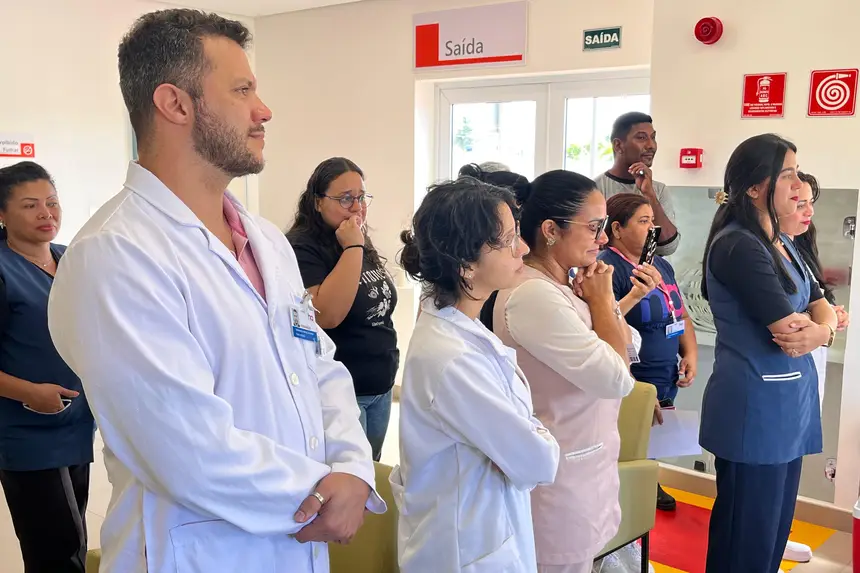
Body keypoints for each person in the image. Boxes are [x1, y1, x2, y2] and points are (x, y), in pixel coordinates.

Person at [46, 10, 383, 573]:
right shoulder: (116, 255)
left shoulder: (265, 242)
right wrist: (325, 491)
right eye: (243, 90)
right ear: (175, 104)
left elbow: (320, 366)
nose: (264, 110)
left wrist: (352, 466)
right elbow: (187, 448)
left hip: (294, 543)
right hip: (197, 552)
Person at [390, 177, 560, 573]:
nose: (523, 249)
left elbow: (522, 451)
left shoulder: (459, 326)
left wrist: (518, 441)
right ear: (466, 264)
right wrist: (534, 438)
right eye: (507, 240)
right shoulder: (453, 359)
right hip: (465, 551)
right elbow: (538, 462)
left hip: (479, 533)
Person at [485, 169, 637, 573]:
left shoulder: (565, 286)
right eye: (594, 227)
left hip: (586, 465)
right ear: (551, 229)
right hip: (559, 479)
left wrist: (600, 302)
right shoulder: (532, 295)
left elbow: (630, 344)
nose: (604, 239)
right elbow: (617, 377)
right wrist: (603, 302)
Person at [699, 134, 837, 573]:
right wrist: (823, 327)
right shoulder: (738, 246)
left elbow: (820, 305)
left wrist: (824, 328)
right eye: (789, 174)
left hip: (786, 406)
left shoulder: (783, 241)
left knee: (772, 535)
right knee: (746, 540)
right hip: (753, 408)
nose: (799, 185)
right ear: (757, 187)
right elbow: (790, 331)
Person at [0, 161, 95, 573]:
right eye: (30, 205)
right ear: (2, 214)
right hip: (27, 434)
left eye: (52, 203)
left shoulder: (70, 258)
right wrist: (29, 393)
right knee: (58, 552)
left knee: (71, 542)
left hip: (76, 425)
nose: (46, 213)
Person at [287, 157, 399, 461]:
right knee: (350, 477)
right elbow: (327, 315)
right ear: (318, 202)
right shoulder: (302, 247)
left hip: (381, 384)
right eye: (345, 199)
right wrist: (352, 248)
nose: (357, 207)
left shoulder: (354, 235)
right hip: (344, 392)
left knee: (371, 471)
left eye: (361, 197)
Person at [598, 193, 698, 512]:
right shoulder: (605, 268)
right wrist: (634, 387)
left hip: (665, 373)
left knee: (651, 440)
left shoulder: (661, 266)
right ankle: (624, 501)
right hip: (632, 377)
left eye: (653, 221)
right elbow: (602, 328)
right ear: (617, 229)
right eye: (644, 222)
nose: (653, 228)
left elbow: (680, 315)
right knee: (624, 446)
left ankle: (646, 485)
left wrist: (690, 355)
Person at [779, 171, 849, 565]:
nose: (808, 211)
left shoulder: (800, 243)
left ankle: (780, 531)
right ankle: (771, 535)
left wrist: (826, 319)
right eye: (799, 202)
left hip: (808, 364)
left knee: (795, 452)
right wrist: (821, 324)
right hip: (780, 367)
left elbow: (816, 296)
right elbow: (785, 319)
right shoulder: (750, 247)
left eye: (811, 203)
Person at [593, 112, 679, 256]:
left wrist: (649, 194)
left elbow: (667, 248)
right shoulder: (595, 189)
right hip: (611, 275)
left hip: (652, 276)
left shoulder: (658, 190)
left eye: (653, 137)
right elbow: (592, 245)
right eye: (641, 138)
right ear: (618, 145)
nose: (651, 145)